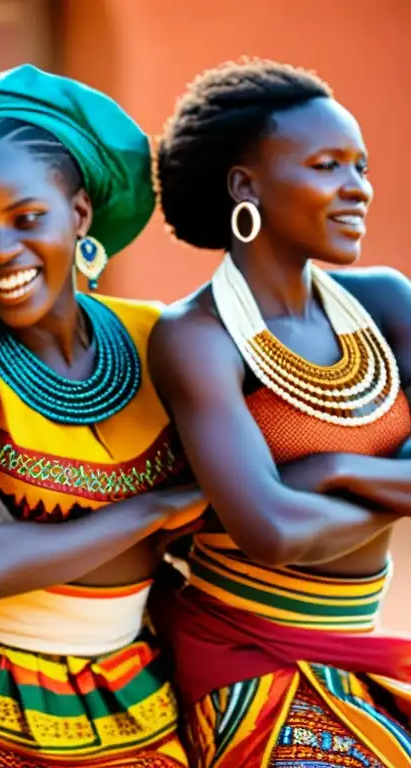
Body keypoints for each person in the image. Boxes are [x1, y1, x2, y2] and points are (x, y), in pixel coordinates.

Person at [0, 64, 207, 768]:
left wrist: (32, 541)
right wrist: (157, 508)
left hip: (136, 683)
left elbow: (232, 517)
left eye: (27, 219)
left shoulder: (160, 339)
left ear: (79, 216)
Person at [149, 58, 411, 766]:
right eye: (329, 166)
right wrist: (388, 486)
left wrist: (328, 470)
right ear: (246, 186)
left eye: (361, 166)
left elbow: (288, 512)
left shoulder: (387, 303)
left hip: (357, 643)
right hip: (245, 652)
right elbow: (270, 532)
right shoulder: (197, 337)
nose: (359, 189)